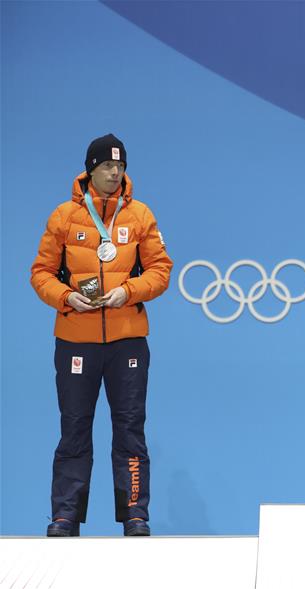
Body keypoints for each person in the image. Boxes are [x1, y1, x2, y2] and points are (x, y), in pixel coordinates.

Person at [31, 134, 172, 536]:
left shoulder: (141, 215)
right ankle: (65, 515)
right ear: (90, 169)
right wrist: (67, 297)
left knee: (130, 427)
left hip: (128, 339)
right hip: (76, 340)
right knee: (75, 426)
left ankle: (135, 512)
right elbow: (40, 273)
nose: (115, 172)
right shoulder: (63, 216)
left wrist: (129, 291)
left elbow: (161, 271)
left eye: (121, 166)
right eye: (108, 166)